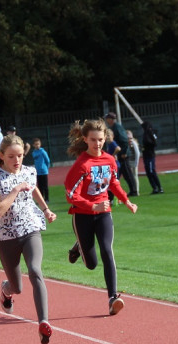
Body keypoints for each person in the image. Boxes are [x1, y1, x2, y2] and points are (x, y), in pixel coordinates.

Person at [0, 134, 59, 344]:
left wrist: (46, 209)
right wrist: (16, 189)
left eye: (19, 156)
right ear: (2, 156)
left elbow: (33, 188)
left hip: (30, 229)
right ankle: (6, 290)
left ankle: (43, 322)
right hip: (6, 236)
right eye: (11, 157)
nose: (16, 160)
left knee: (35, 270)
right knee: (17, 287)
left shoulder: (29, 171)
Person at [64, 119, 138, 316]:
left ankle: (113, 298)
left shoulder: (110, 160)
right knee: (91, 264)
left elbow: (113, 183)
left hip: (104, 213)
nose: (97, 144)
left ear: (105, 138)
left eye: (100, 139)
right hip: (82, 216)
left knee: (107, 250)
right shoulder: (82, 164)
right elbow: (70, 195)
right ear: (85, 139)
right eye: (93, 140)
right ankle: (78, 246)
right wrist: (92, 205)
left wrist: (126, 201)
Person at [104, 112, 130, 180]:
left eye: (107, 118)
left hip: (122, 155)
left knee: (127, 174)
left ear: (111, 119)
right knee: (118, 176)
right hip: (118, 157)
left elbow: (124, 141)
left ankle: (134, 187)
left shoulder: (117, 127)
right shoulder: (113, 127)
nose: (106, 120)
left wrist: (124, 152)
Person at [140, 120, 163, 194]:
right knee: (148, 172)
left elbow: (154, 143)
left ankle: (159, 187)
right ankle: (155, 188)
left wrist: (147, 145)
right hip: (146, 155)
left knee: (151, 171)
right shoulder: (146, 134)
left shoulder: (150, 133)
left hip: (150, 155)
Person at [30, 138, 51, 202]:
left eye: (38, 144)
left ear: (40, 144)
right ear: (33, 145)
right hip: (38, 172)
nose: (37, 145)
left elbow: (47, 160)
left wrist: (46, 168)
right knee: (40, 186)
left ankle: (47, 199)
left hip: (44, 171)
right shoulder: (33, 153)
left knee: (45, 186)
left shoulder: (43, 152)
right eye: (36, 144)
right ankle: (41, 199)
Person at [123, 131, 141, 197]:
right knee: (131, 176)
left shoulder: (133, 143)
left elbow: (137, 153)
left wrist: (136, 163)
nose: (130, 140)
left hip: (134, 162)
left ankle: (137, 191)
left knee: (135, 176)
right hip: (129, 161)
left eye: (131, 138)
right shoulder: (126, 143)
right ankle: (133, 189)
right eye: (128, 138)